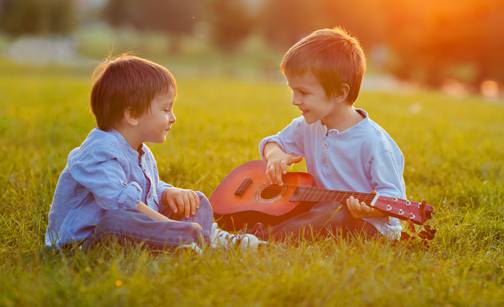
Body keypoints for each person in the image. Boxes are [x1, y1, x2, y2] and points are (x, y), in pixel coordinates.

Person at [45, 54, 265, 253]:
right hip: (86, 242)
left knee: (194, 200)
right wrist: (168, 225)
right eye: (166, 109)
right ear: (132, 114)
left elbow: (147, 187)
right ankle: (187, 240)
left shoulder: (140, 149)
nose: (173, 117)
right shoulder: (98, 153)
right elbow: (120, 202)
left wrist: (169, 193)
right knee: (116, 221)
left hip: (139, 223)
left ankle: (197, 239)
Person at [258, 28, 405, 241]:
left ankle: (263, 238)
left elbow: (395, 198)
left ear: (340, 93)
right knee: (289, 206)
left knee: (334, 213)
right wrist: (275, 155)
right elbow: (274, 142)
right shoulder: (308, 125)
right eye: (293, 90)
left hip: (369, 226)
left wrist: (369, 210)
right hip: (319, 209)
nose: (294, 100)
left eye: (304, 92)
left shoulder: (374, 142)